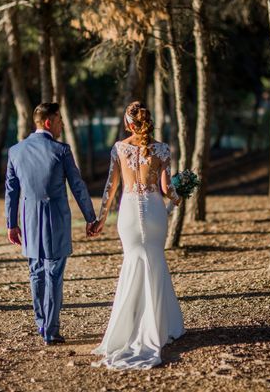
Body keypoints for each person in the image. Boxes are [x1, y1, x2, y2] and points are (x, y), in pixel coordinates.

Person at [91, 101, 185, 369]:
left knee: (133, 261)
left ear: (128, 123)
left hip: (130, 212)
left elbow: (111, 186)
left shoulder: (119, 148)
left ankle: (128, 325)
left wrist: (100, 218)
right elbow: (167, 188)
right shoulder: (162, 149)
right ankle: (159, 325)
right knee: (155, 260)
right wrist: (179, 198)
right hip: (155, 211)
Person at [5, 102, 99, 345]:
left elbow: (11, 191)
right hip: (55, 218)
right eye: (59, 120)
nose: (62, 125)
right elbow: (77, 185)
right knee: (54, 273)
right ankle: (51, 330)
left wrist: (11, 223)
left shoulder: (16, 151)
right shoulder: (61, 150)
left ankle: (41, 324)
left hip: (28, 219)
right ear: (48, 122)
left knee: (36, 272)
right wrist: (90, 217)